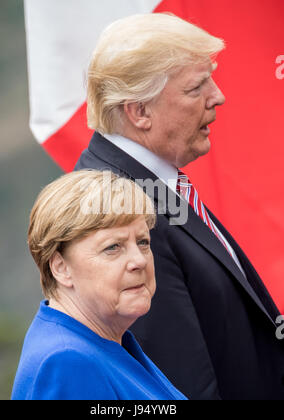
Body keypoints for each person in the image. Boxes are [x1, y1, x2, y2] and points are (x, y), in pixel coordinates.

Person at [75, 13, 284, 400]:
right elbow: (179, 383)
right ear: (139, 111)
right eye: (196, 87)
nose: (217, 96)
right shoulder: (117, 211)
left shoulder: (145, 183)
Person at [11, 169, 187, 400]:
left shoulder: (106, 340)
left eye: (143, 242)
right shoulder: (67, 363)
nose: (139, 260)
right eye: (113, 247)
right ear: (61, 268)